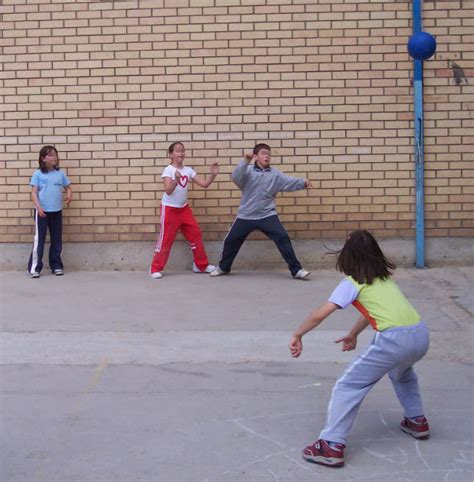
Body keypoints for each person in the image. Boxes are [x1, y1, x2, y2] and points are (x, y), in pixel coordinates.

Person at [289, 230, 430, 468]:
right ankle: (417, 420)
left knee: (349, 385)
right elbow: (373, 312)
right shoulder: (384, 279)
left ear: (347, 255)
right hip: (420, 334)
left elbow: (319, 314)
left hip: (394, 339)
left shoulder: (352, 283)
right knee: (402, 374)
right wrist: (353, 334)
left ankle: (331, 445)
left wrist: (298, 334)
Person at [210, 143, 311, 279]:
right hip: (246, 215)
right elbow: (236, 177)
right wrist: (245, 161)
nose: (267, 156)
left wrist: (303, 183)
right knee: (231, 241)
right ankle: (223, 268)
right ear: (256, 156)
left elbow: (289, 182)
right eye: (263, 153)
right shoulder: (247, 172)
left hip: (267, 215)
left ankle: (297, 270)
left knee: (282, 237)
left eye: (269, 154)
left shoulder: (275, 174)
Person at [150, 142, 218, 279]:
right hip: (169, 209)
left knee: (195, 234)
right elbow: (168, 191)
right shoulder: (168, 170)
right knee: (166, 239)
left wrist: (212, 175)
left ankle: (201, 265)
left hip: (184, 209)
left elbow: (204, 184)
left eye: (183, 151)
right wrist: (175, 180)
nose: (181, 153)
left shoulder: (188, 170)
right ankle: (154, 268)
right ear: (171, 155)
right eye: (177, 151)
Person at [28, 145, 72, 278]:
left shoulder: (60, 174)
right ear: (43, 158)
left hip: (56, 212)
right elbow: (34, 193)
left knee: (56, 239)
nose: (55, 157)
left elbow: (68, 187)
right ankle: (35, 268)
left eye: (55, 154)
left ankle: (56, 265)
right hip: (42, 212)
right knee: (39, 240)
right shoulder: (38, 174)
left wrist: (69, 194)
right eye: (51, 155)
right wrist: (39, 207)